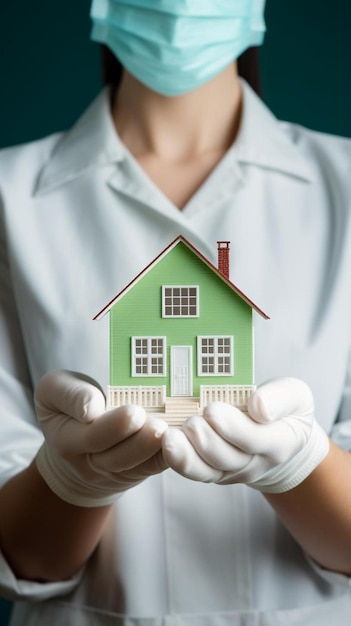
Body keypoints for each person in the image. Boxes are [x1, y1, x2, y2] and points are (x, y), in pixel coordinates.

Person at [0, 1, 351, 625]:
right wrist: (71, 480)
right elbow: (18, 557)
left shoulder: (344, 187)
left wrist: (301, 466)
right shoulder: (8, 196)